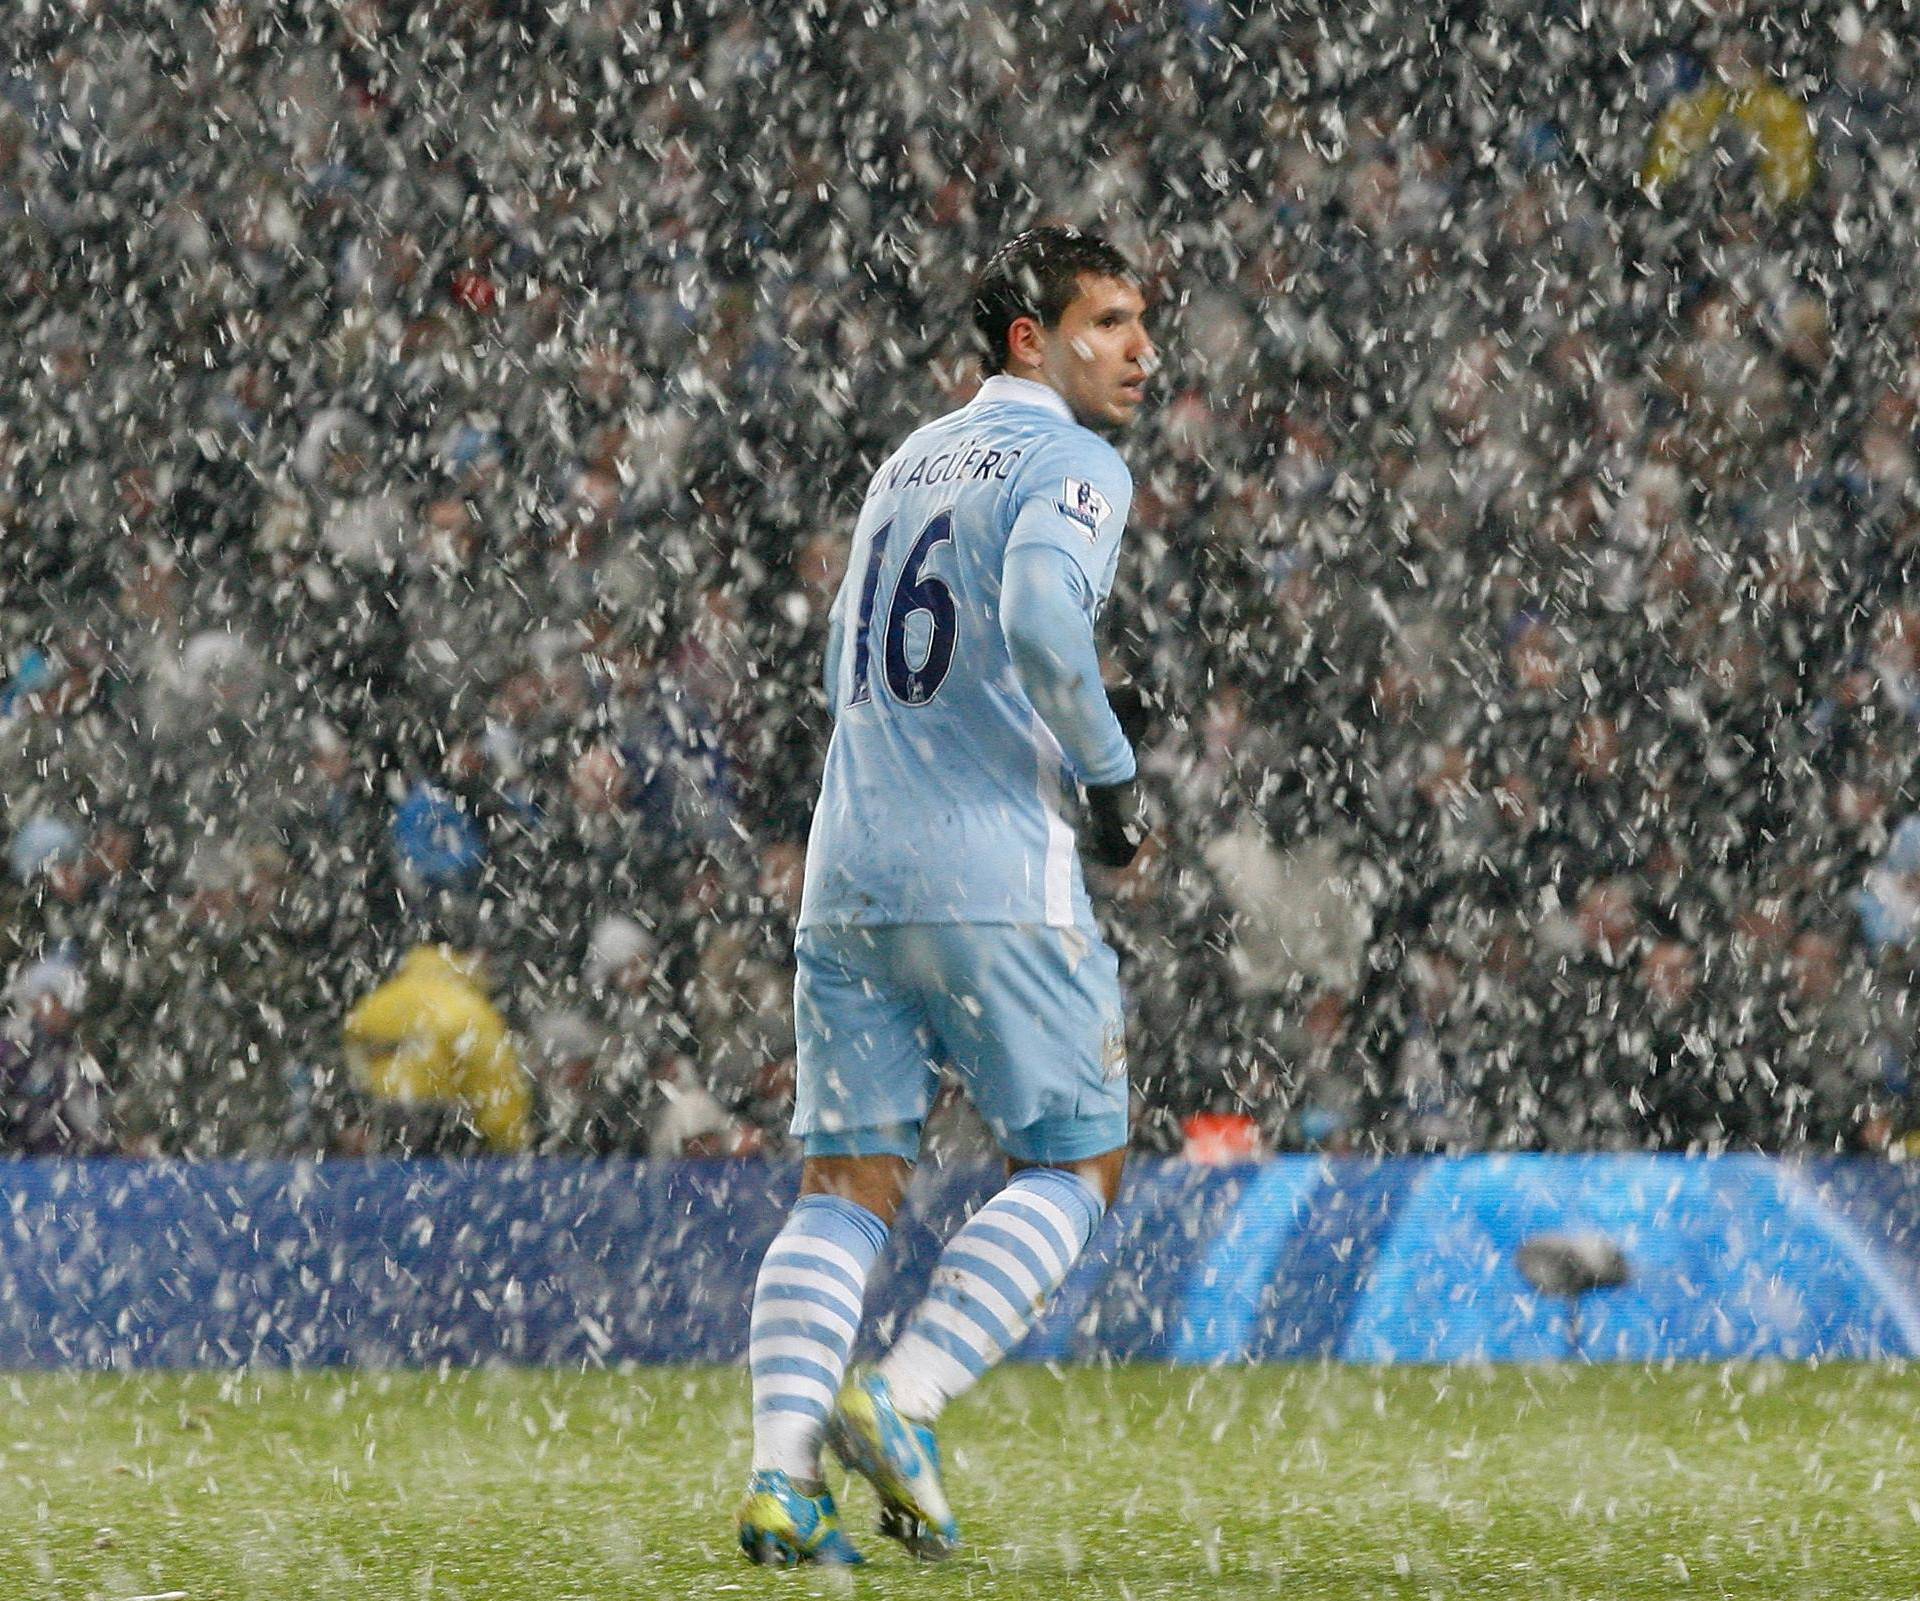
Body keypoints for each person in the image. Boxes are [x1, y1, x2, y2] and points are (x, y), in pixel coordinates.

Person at [735, 226, 1156, 1566]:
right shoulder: (1075, 460)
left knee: (847, 1184)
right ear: (1029, 340)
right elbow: (1040, 618)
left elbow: (840, 662)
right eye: (1108, 321)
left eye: (1145, 323)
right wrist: (1108, 775)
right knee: (1080, 1156)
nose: (1142, 350)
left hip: (850, 860)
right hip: (993, 870)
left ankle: (781, 1478)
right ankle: (901, 1400)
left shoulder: (909, 459)